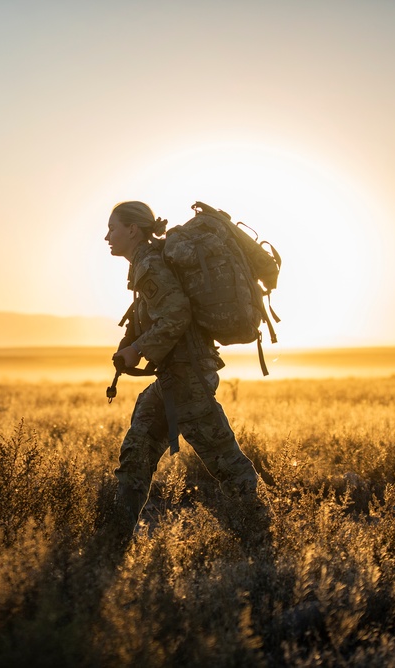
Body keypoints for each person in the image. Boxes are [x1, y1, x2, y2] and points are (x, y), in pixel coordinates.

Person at [105, 200, 268, 543]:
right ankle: (109, 541)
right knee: (137, 450)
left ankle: (265, 534)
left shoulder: (149, 263)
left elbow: (176, 314)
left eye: (113, 228)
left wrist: (138, 349)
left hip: (187, 378)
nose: (107, 236)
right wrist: (133, 339)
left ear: (132, 229)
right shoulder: (147, 262)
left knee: (225, 461)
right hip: (175, 378)